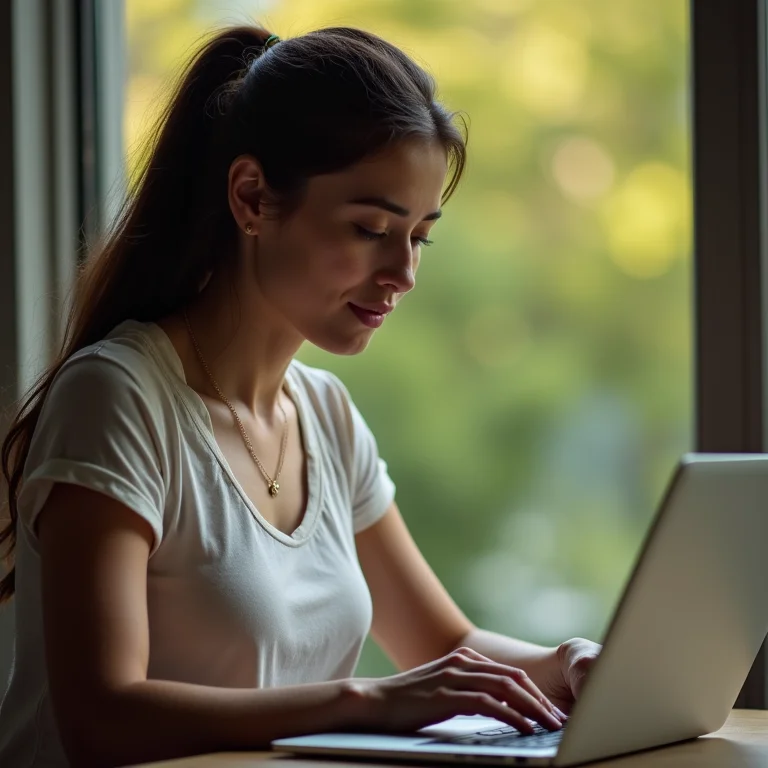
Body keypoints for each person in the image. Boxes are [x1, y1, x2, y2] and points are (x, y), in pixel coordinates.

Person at [0, 24, 600, 768]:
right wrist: (370, 701)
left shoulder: (325, 416)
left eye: (420, 236)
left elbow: (447, 648)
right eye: (371, 228)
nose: (403, 272)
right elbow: (102, 717)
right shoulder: (117, 398)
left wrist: (577, 662)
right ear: (251, 198)